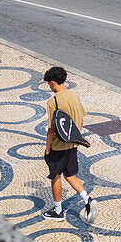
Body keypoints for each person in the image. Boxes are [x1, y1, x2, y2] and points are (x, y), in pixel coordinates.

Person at [41, 67, 94, 223]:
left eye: (49, 84)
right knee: (69, 174)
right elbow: (81, 120)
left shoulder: (54, 101)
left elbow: (52, 129)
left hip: (58, 146)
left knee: (55, 176)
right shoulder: (74, 96)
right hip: (73, 144)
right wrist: (75, 137)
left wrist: (48, 148)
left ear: (52, 83)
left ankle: (57, 211)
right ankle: (87, 200)